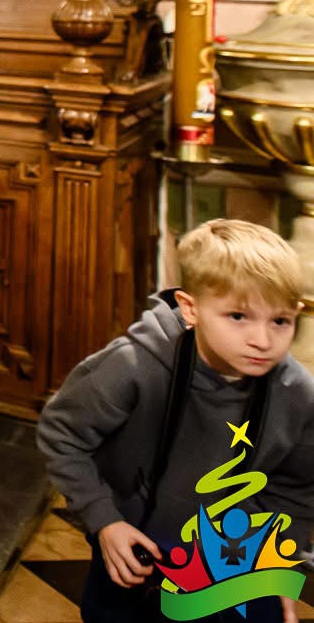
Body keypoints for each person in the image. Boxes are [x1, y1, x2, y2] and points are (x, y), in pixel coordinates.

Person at [38, 220, 314, 622]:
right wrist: (104, 521)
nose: (262, 340)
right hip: (132, 544)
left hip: (230, 559)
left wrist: (282, 565)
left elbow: (296, 489)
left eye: (280, 321)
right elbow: (62, 433)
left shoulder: (299, 394)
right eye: (238, 316)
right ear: (190, 308)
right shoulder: (134, 364)